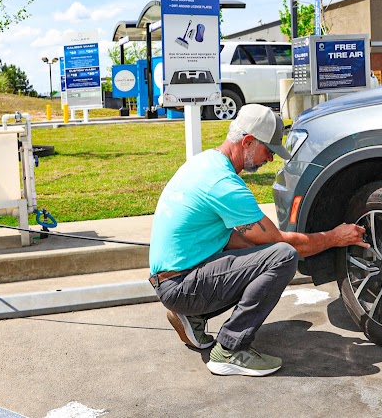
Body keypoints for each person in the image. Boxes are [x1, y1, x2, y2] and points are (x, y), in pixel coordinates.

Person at [149, 104, 368, 377]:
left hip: (173, 278)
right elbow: (285, 246)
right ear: (248, 142)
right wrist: (335, 237)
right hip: (180, 285)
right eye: (269, 151)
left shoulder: (204, 162)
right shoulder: (223, 184)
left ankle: (193, 315)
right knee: (282, 257)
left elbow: (240, 242)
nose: (271, 159)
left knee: (265, 255)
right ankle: (229, 349)